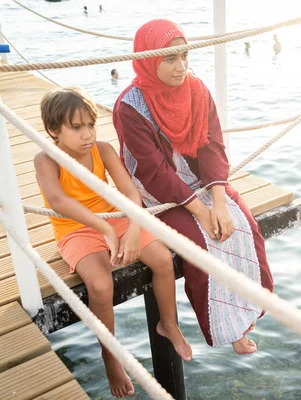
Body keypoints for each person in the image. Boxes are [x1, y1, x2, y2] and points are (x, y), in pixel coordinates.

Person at [113, 19, 274, 355]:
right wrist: (200, 211)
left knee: (243, 226)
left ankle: (244, 318)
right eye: (169, 59)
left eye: (184, 56)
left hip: (202, 181)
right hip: (155, 192)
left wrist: (217, 200)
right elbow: (154, 171)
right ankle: (227, 329)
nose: (181, 67)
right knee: (203, 244)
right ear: (148, 58)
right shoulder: (130, 107)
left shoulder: (197, 89)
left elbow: (213, 145)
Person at [35, 87, 192, 398]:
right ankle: (111, 357)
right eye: (76, 128)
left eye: (91, 125)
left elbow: (130, 193)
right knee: (101, 286)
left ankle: (169, 324)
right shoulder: (46, 159)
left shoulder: (103, 149)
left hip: (115, 219)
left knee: (162, 260)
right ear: (54, 130)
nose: (87, 134)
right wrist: (104, 231)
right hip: (75, 229)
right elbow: (58, 201)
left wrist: (133, 228)